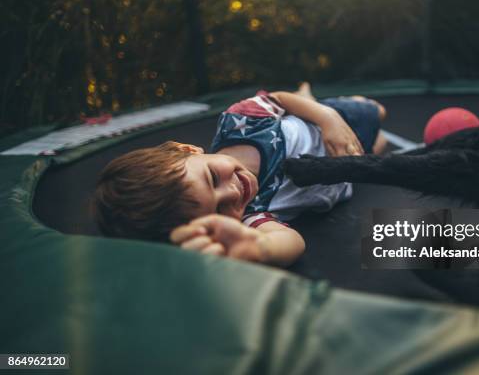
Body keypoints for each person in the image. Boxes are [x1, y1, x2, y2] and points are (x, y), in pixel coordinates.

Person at [93, 82, 386, 266]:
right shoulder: (250, 215)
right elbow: (290, 242)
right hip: (349, 168)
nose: (232, 192)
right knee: (379, 145)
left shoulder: (242, 121)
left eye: (212, 179)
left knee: (377, 111)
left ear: (188, 150)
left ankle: (308, 95)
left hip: (329, 126)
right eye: (220, 209)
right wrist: (259, 248)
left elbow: (278, 99)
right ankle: (315, 99)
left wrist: (328, 118)